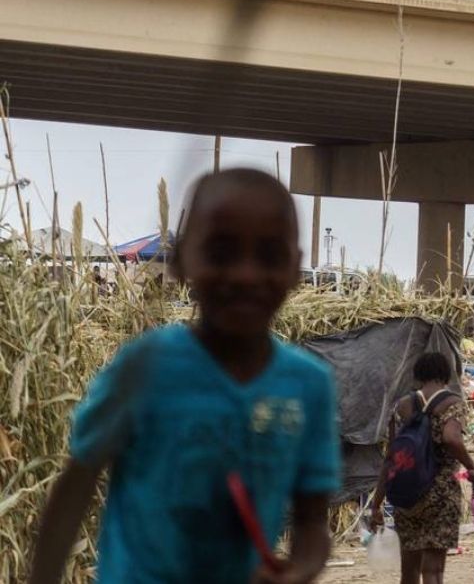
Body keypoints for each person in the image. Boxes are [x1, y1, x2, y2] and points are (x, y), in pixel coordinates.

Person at [31, 169, 342, 584]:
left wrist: (297, 570)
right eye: (221, 252)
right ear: (180, 262)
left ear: (295, 268)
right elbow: (74, 490)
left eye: (269, 256)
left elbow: (312, 523)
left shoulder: (308, 386)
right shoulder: (145, 368)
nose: (246, 275)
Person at [371, 353, 474, 584]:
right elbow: (452, 438)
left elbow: (391, 457)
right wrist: (472, 467)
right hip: (440, 494)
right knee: (433, 571)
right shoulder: (452, 403)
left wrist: (377, 504)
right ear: (445, 375)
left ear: (418, 376)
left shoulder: (401, 406)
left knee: (409, 572)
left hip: (407, 494)